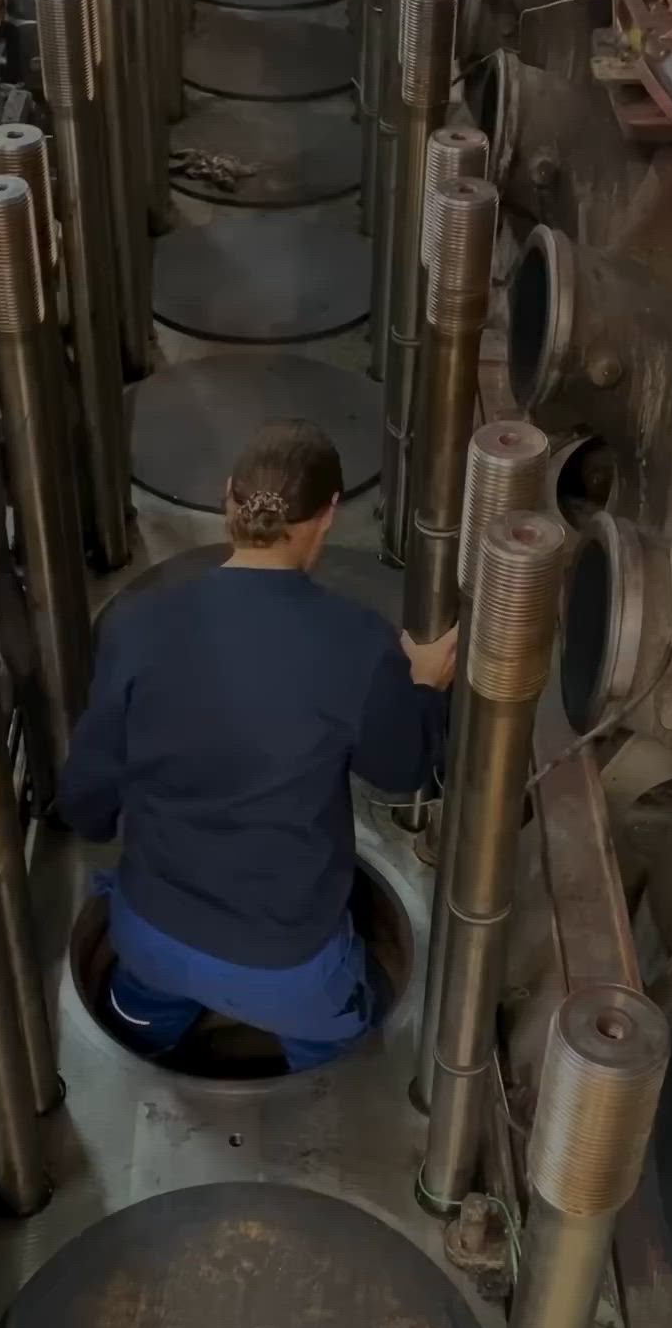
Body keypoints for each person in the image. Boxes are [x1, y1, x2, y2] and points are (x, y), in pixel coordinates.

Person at [58, 419, 456, 1071]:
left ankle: (150, 1027)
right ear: (329, 515)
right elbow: (403, 768)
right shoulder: (357, 643)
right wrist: (423, 688)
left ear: (226, 499)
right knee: (344, 1045)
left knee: (139, 1017)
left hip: (148, 940)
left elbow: (86, 800)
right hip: (290, 972)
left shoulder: (138, 626)